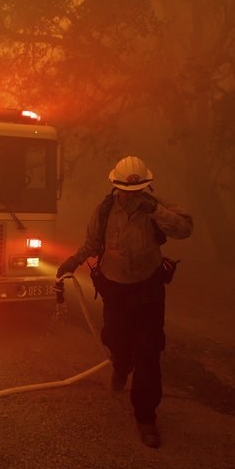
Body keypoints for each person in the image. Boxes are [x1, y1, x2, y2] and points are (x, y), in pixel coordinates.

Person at [56, 155, 193, 448]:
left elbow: (185, 229)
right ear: (116, 185)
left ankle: (146, 417)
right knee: (114, 338)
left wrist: (155, 210)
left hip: (149, 288)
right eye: (126, 190)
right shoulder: (105, 210)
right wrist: (73, 261)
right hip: (115, 289)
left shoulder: (158, 206)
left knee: (149, 351)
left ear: (146, 186)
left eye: (138, 190)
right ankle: (120, 363)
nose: (132, 196)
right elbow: (93, 243)